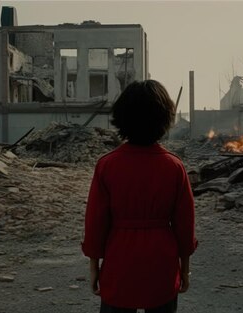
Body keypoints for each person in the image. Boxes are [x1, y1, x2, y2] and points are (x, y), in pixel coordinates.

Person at [82, 80, 198, 313]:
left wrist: (94, 266)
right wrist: (184, 269)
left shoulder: (107, 165)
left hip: (119, 261)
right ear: (164, 119)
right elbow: (185, 225)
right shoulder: (174, 167)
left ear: (122, 118)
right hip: (161, 263)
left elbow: (95, 222)